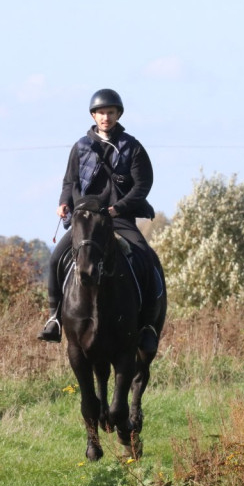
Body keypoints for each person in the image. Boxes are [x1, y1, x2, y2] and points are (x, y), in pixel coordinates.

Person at [38, 88, 162, 351]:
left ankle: (149, 324)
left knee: (146, 257)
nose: (106, 117)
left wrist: (118, 208)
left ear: (118, 115)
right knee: (55, 257)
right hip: (86, 222)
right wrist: (64, 203)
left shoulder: (132, 147)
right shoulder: (81, 147)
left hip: (119, 218)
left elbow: (143, 185)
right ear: (94, 115)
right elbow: (70, 181)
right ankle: (54, 318)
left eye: (111, 112)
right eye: (101, 112)